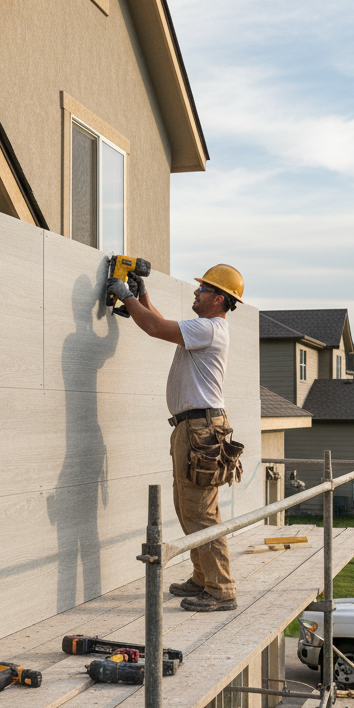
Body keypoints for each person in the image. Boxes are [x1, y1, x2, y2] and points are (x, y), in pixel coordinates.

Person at [106, 263, 245, 613]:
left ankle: (221, 588)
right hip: (192, 428)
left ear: (219, 299)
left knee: (201, 512)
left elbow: (155, 328)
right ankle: (203, 578)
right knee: (188, 508)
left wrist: (124, 295)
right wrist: (141, 296)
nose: (196, 294)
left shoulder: (211, 329)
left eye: (202, 290)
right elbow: (163, 323)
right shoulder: (203, 328)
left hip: (201, 429)